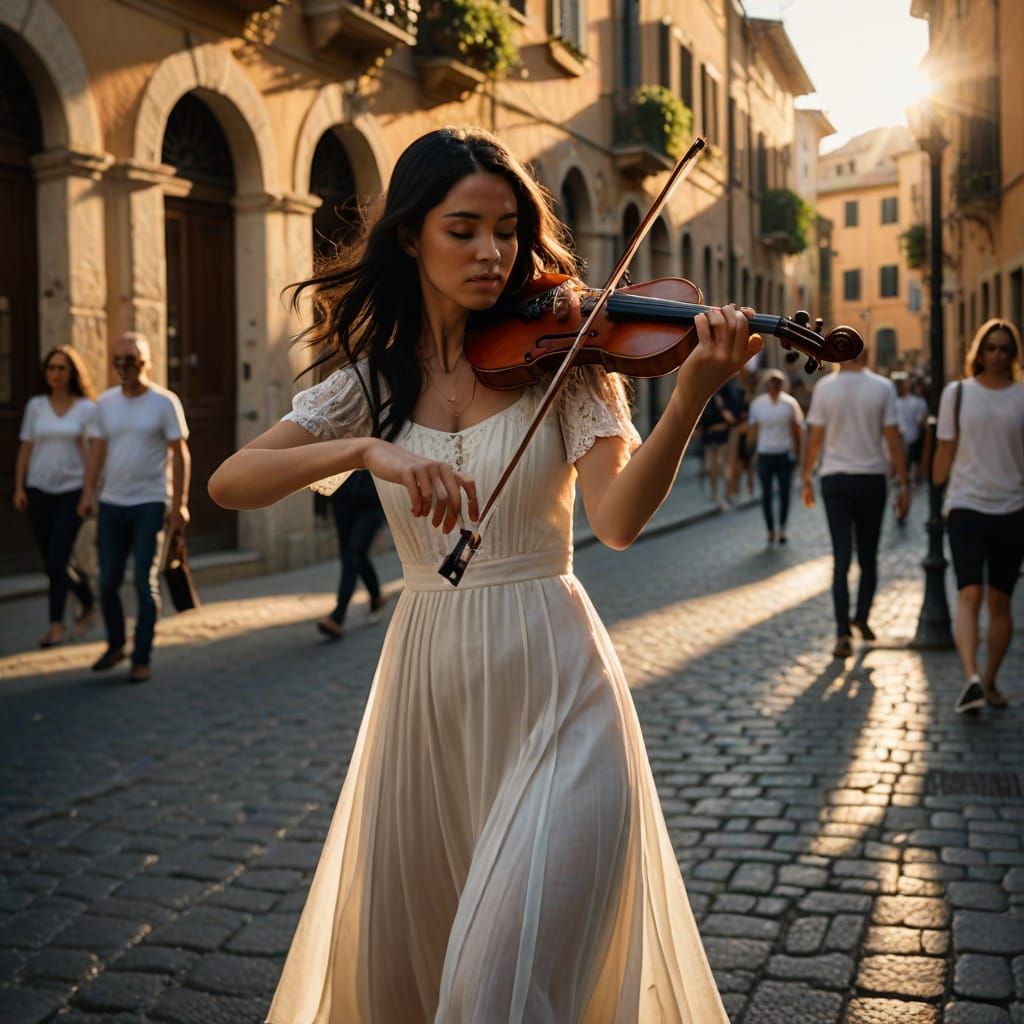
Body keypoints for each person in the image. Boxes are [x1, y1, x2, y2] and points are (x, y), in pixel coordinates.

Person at [209, 126, 761, 1023]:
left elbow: (617, 524)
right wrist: (365, 450)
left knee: (490, 988)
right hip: (427, 694)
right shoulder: (371, 381)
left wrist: (693, 390)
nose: (493, 252)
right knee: (416, 981)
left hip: (558, 683)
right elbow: (232, 483)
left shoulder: (573, 361)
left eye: (507, 230)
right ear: (410, 237)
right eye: (463, 229)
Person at [78, 332, 190, 683]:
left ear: (147, 362)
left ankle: (142, 656)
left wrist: (181, 504)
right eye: (119, 361)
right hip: (112, 502)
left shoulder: (164, 402)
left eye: (132, 360)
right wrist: (87, 492)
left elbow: (180, 453)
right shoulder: (106, 404)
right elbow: (97, 450)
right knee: (108, 581)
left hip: (150, 502)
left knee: (145, 583)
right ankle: (116, 645)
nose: (125, 367)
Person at [933, 318, 1024, 713]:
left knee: (1000, 602)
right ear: (979, 352)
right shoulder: (957, 394)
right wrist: (926, 492)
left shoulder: (1022, 397)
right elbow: (945, 450)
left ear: (1013, 354)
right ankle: (970, 677)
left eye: (1005, 348)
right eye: (991, 347)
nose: (998, 354)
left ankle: (989, 681)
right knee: (969, 593)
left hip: (1013, 507)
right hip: (966, 504)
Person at [802, 348, 909, 658]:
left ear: (837, 352)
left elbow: (816, 439)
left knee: (841, 557)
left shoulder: (825, 388)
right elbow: (893, 440)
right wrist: (903, 484)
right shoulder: (882, 387)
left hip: (835, 479)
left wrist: (807, 476)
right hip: (871, 478)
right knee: (869, 556)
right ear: (865, 353)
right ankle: (861, 617)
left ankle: (841, 634)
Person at [13, 346, 97, 647]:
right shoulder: (36, 406)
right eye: (51, 368)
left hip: (71, 491)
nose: (56, 374)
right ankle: (87, 598)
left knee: (58, 558)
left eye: (62, 368)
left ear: (72, 373)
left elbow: (91, 454)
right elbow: (26, 447)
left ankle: (56, 626)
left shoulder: (86, 408)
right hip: (38, 489)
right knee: (52, 562)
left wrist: (88, 492)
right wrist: (19, 486)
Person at [315, 469, 389, 640]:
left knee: (354, 552)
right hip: (343, 501)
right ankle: (377, 596)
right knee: (353, 556)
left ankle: (337, 616)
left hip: (371, 504)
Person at [748, 368, 804, 545]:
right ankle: (770, 529)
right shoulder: (757, 404)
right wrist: (749, 455)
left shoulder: (790, 404)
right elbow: (753, 431)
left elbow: (798, 430)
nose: (775, 386)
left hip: (784, 453)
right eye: (772, 383)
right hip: (765, 453)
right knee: (766, 494)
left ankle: (782, 529)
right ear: (767, 385)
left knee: (785, 493)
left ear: (782, 385)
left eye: (778, 383)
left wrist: (799, 453)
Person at [893, 371, 928, 492]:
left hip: (912, 436)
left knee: (912, 458)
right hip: (901, 437)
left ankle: (910, 477)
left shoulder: (916, 401)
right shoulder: (894, 402)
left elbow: (920, 419)